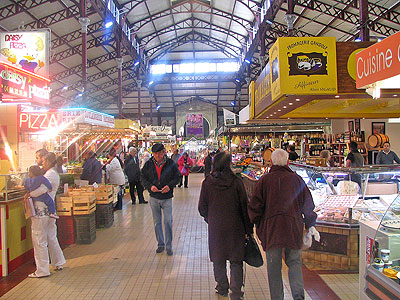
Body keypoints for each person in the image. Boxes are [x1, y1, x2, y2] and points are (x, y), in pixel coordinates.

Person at [248, 149, 317, 300]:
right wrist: (310, 223)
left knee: (274, 267)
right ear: (288, 162)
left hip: (272, 230)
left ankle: (277, 297)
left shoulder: (264, 181)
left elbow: (255, 207)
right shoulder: (297, 180)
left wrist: (255, 224)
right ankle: (298, 296)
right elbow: (308, 204)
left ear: (271, 162)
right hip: (293, 229)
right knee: (294, 263)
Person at [198, 152, 253, 300]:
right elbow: (244, 207)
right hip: (236, 227)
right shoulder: (236, 182)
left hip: (216, 227)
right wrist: (248, 229)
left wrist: (211, 219)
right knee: (236, 260)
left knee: (218, 257)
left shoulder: (208, 182)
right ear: (228, 164)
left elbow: (202, 207)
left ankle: (222, 287)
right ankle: (236, 292)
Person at [27, 152, 66, 278]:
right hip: (48, 211)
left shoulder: (50, 175)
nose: (41, 163)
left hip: (41, 210)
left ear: (48, 162)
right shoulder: (52, 174)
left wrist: (30, 194)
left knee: (39, 240)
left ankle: (42, 270)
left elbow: (42, 190)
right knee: (51, 237)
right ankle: (58, 262)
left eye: (42, 161)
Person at [141, 143, 181, 256]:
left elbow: (177, 176)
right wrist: (150, 186)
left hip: (167, 197)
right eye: (155, 154)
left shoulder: (170, 163)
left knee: (168, 221)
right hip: (154, 197)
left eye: (159, 153)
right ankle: (160, 244)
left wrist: (169, 186)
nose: (157, 156)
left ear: (164, 152)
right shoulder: (148, 164)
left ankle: (169, 246)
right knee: (156, 222)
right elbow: (142, 177)